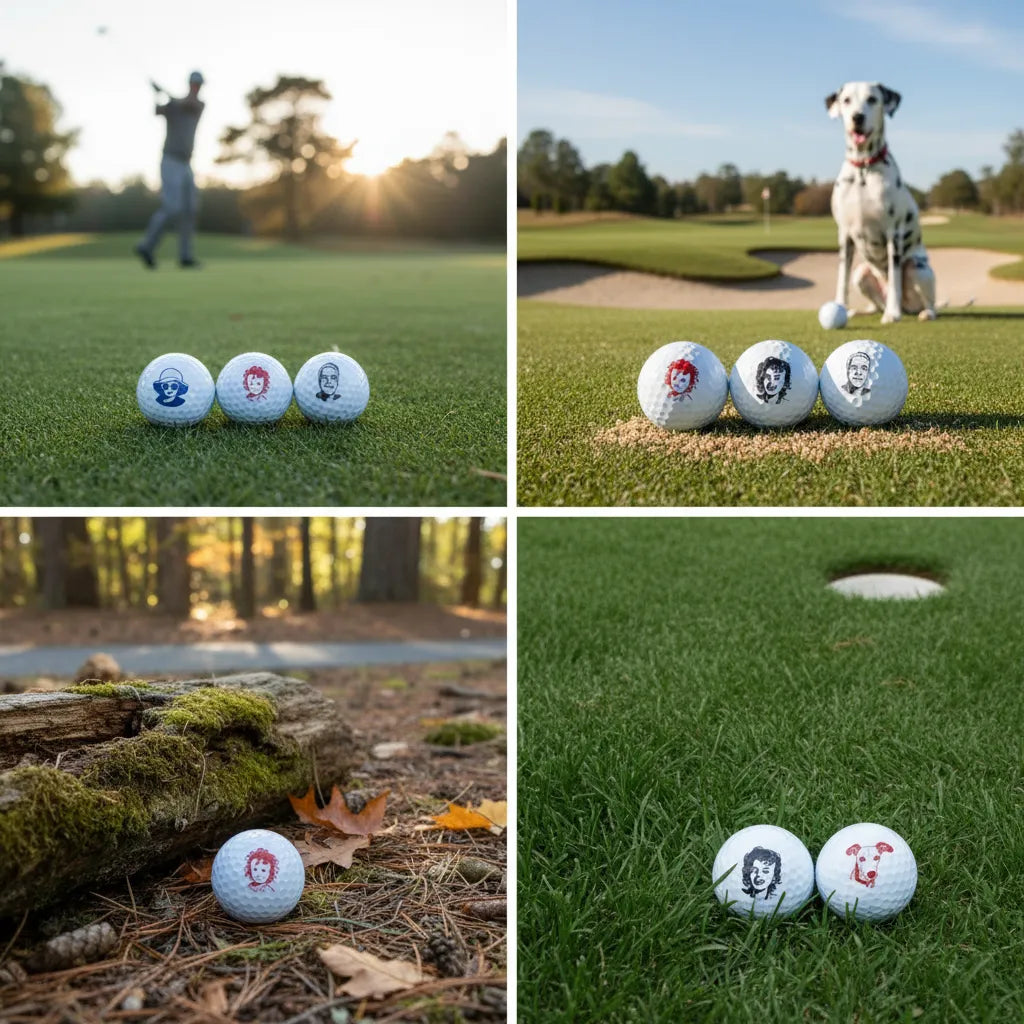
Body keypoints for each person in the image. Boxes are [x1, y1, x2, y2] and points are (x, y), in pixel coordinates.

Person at [135, 71, 205, 269]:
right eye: (194, 84)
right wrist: (157, 95)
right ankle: (147, 246)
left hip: (186, 164)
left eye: (199, 85)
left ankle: (185, 256)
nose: (196, 88)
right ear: (189, 84)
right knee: (173, 207)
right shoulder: (174, 106)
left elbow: (186, 104)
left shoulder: (197, 105)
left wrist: (164, 91)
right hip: (170, 161)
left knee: (190, 209)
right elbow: (157, 111)